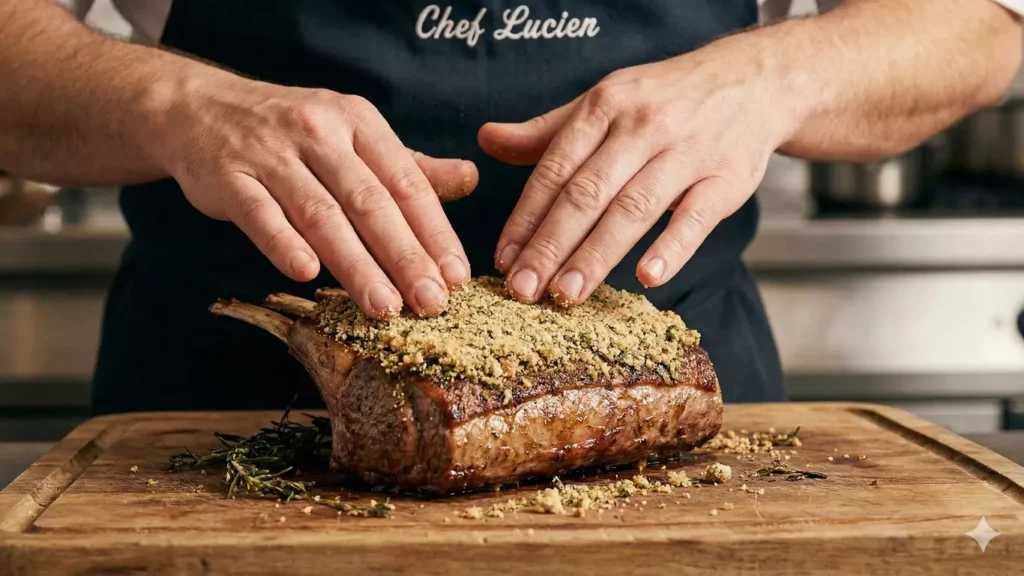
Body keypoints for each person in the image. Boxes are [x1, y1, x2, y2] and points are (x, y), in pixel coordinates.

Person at [0, 0, 1020, 413]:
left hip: (673, 414)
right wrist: (177, 101)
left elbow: (978, 22)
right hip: (222, 414)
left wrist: (773, 78)